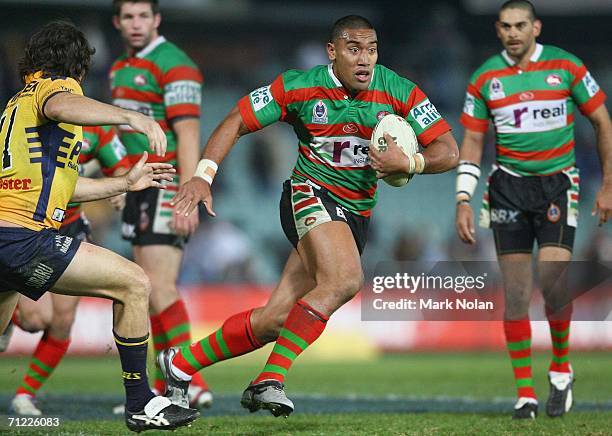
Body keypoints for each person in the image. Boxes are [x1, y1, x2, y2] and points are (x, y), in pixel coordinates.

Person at [159, 15, 459, 416]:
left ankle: (179, 364)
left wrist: (412, 160)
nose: (365, 59)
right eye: (353, 49)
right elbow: (236, 120)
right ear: (332, 52)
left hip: (355, 213)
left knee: (275, 320)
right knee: (346, 279)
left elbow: (449, 150)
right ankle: (270, 378)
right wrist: (202, 176)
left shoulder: (398, 90)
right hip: (309, 193)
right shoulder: (298, 86)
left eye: (371, 49)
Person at [0, 21, 199, 431]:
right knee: (134, 283)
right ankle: (141, 402)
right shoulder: (56, 89)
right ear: (79, 66)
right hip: (22, 236)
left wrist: (124, 183)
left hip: (5, 233)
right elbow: (59, 104)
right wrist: (131, 117)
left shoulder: (13, 107)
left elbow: (61, 187)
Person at [454, 0, 611, 420]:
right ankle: (525, 393)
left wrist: (609, 185)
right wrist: (463, 197)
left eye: (521, 25)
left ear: (536, 27)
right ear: (498, 29)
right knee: (518, 294)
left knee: (553, 281)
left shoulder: (567, 67)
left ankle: (561, 368)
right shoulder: (485, 77)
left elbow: (602, 122)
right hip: (506, 188)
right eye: (506, 26)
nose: (514, 33)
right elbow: (470, 141)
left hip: (558, 185)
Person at [110, 0, 211, 408]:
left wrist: (185, 196)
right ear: (117, 23)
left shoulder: (175, 64)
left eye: (143, 16)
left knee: (160, 287)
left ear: (157, 20)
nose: (136, 24)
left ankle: (191, 383)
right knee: (147, 291)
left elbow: (187, 134)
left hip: (164, 184)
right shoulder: (120, 68)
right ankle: (164, 388)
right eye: (128, 17)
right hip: (138, 187)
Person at [10, 125, 131, 416]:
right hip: (29, 224)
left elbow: (120, 165)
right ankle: (8, 312)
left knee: (63, 321)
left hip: (70, 225)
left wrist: (120, 189)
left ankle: (25, 394)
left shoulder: (97, 130)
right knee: (35, 319)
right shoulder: (28, 118)